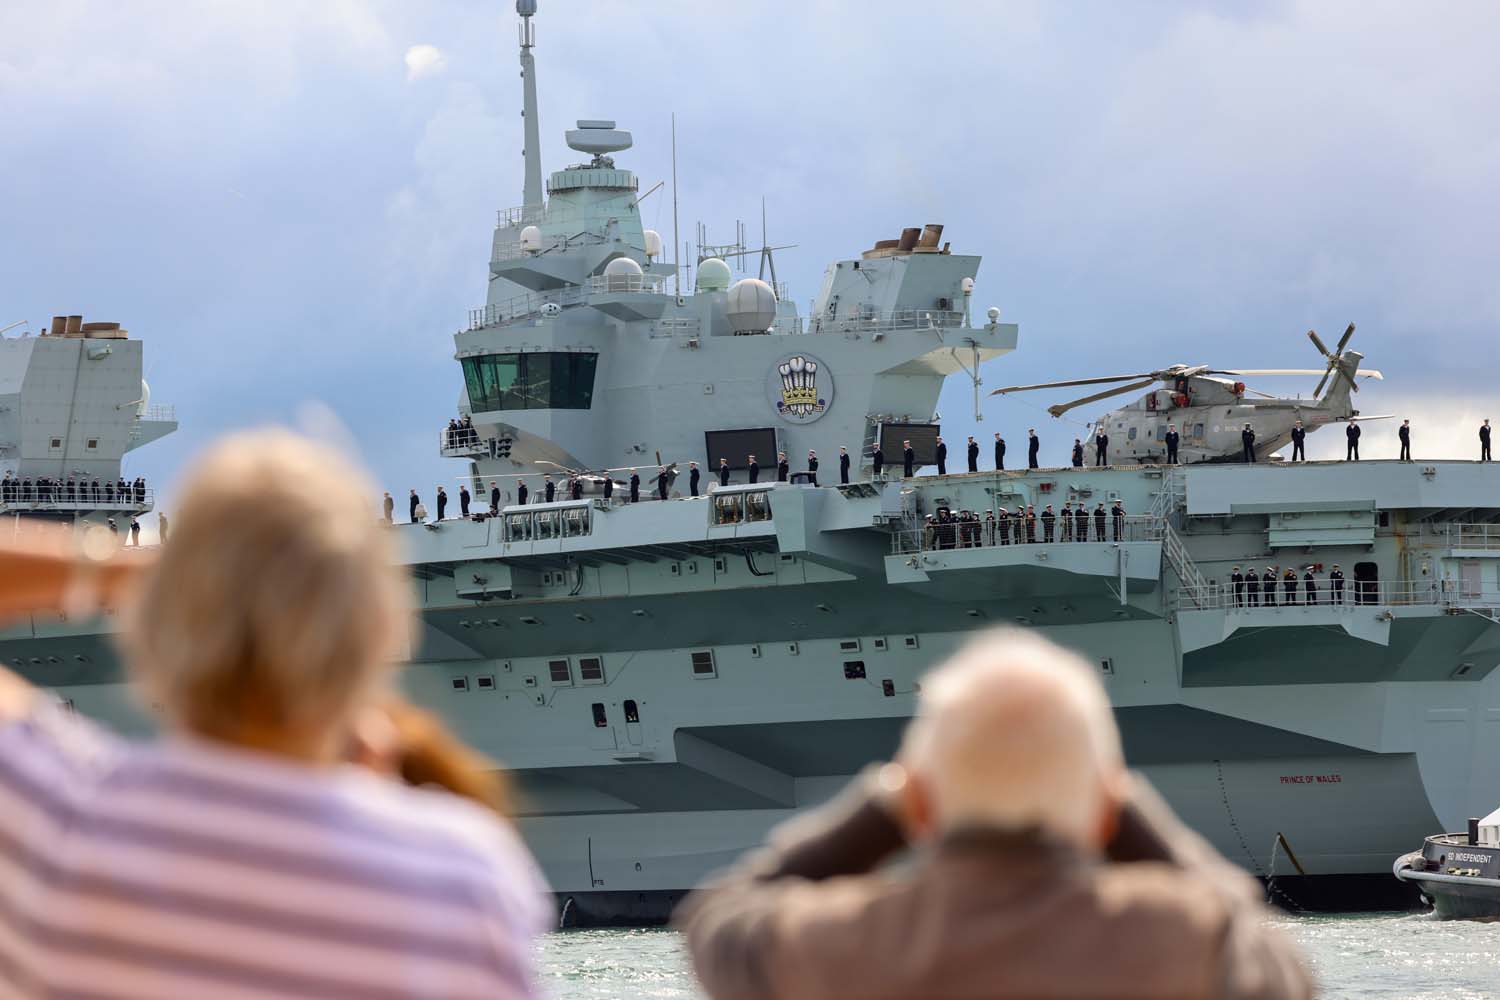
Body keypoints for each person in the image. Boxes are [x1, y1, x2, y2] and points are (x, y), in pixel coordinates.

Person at [0, 430, 549, 997]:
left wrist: (127, 567)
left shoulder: (64, 825)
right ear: (385, 631)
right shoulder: (465, 883)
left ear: (155, 624)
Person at [676, 630, 1312, 1000]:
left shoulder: (828, 942)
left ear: (919, 803)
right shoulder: (1181, 937)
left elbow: (715, 919)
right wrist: (1120, 806)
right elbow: (1278, 967)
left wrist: (885, 806)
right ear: (1103, 807)